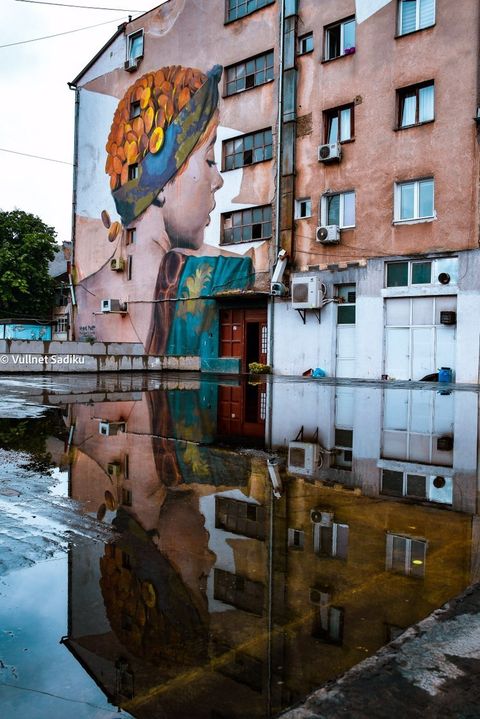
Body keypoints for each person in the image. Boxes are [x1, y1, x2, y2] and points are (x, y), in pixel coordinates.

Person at [77, 64, 254, 356]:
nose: (218, 181)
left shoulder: (83, 295)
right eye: (209, 159)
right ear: (159, 185)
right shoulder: (226, 274)